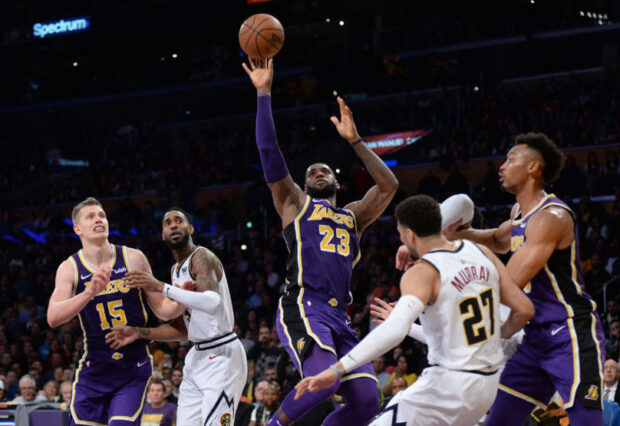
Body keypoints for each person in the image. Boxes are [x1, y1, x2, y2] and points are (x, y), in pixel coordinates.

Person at [243, 57, 399, 426]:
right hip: (303, 305)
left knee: (366, 402)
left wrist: (357, 142)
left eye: (325, 170)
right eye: (312, 171)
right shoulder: (295, 203)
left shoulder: (353, 216)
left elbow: (389, 186)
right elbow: (269, 154)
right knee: (324, 386)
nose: (317, 172)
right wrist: (264, 93)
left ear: (338, 184)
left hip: (339, 317)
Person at [294, 195, 534, 425]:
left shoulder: (422, 271)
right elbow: (524, 309)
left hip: (449, 385)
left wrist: (337, 369)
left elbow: (394, 331)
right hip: (488, 386)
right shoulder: (481, 252)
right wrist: (498, 334)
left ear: (409, 235)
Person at [449, 133, 605, 425]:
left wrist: (444, 272)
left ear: (533, 167)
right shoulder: (520, 212)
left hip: (569, 333)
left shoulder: (551, 217)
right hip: (535, 339)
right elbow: (497, 238)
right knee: (500, 421)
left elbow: (507, 284)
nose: (502, 166)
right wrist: (451, 237)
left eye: (511, 159)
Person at [47, 198, 185, 426]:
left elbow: (163, 310)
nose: (99, 219)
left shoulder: (133, 258)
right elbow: (53, 317)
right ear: (77, 229)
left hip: (132, 367)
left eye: (102, 215)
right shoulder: (69, 267)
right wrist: (89, 292)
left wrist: (183, 297)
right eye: (90, 216)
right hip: (95, 368)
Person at [106, 208, 248, 425]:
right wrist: (139, 333)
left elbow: (212, 302)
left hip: (221, 354)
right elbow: (182, 329)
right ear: (163, 234)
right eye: (168, 223)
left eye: (179, 221)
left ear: (190, 229)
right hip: (196, 356)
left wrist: (160, 287)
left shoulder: (202, 257)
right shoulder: (176, 270)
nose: (173, 225)